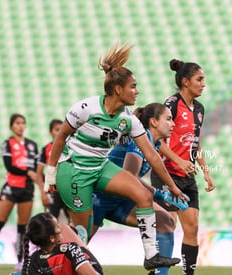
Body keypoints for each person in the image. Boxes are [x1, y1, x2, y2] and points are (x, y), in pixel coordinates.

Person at [44, 42, 189, 271]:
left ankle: (151, 255)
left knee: (143, 195)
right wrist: (50, 175)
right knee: (81, 240)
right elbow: (60, 138)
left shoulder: (128, 120)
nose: (137, 91)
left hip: (100, 168)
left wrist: (171, 187)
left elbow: (152, 155)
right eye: (133, 86)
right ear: (119, 89)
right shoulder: (85, 108)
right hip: (73, 171)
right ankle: (36, 266)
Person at [91, 103, 194, 275]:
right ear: (153, 122)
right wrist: (162, 194)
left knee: (166, 221)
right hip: (98, 199)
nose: (173, 123)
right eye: (168, 119)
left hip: (121, 199)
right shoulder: (140, 137)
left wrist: (171, 189)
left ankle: (161, 274)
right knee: (76, 247)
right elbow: (128, 177)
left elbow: (149, 172)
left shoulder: (156, 143)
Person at [151, 59, 215, 275]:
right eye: (200, 79)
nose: (203, 83)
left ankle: (188, 273)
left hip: (187, 177)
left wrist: (206, 172)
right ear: (186, 81)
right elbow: (157, 139)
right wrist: (178, 160)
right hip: (166, 173)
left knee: (192, 227)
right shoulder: (171, 104)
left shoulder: (199, 109)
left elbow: (195, 142)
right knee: (168, 224)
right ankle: (160, 272)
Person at [0, 114, 39, 272]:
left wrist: (35, 175)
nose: (21, 126)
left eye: (23, 123)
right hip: (11, 187)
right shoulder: (7, 144)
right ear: (11, 126)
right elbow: (10, 166)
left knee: (22, 228)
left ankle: (20, 261)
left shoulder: (32, 145)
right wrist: (29, 172)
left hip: (27, 189)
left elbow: (36, 168)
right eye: (17, 123)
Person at [10, 212, 103, 275]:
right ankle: (79, 239)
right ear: (52, 238)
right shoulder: (70, 248)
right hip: (89, 266)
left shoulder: (33, 259)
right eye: (57, 227)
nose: (60, 228)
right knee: (65, 227)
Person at [37, 119, 70, 222]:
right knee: (50, 221)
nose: (59, 132)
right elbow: (39, 173)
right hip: (52, 188)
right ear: (50, 132)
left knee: (71, 219)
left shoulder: (70, 148)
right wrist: (43, 194)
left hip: (67, 187)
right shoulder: (46, 149)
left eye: (61, 129)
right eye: (57, 130)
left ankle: (73, 238)